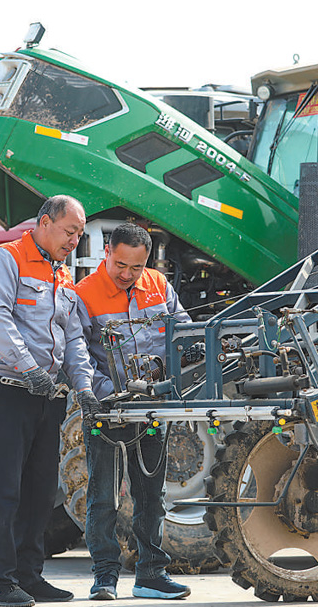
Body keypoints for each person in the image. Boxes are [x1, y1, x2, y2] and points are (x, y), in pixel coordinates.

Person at [0, 195, 99, 607]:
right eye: (70, 231)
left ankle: (28, 576)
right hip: (5, 390)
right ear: (45, 222)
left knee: (40, 491)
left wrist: (84, 386)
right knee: (1, 490)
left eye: (79, 233)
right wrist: (28, 369)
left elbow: (74, 336)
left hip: (47, 396)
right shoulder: (5, 260)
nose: (75, 240)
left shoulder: (61, 275)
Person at [76, 223, 201, 601]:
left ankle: (151, 574)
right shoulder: (84, 295)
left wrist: (189, 349)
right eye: (121, 266)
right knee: (104, 497)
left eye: (136, 267)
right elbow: (76, 354)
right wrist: (101, 393)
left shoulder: (158, 286)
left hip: (152, 409)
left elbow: (182, 327)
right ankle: (105, 577)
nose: (128, 275)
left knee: (152, 495)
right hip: (107, 411)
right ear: (107, 253)